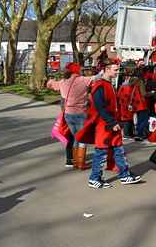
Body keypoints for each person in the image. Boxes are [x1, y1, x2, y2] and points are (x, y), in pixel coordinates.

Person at [76, 58, 142, 188]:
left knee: (118, 149)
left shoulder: (108, 84)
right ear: (106, 69)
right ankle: (94, 178)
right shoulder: (99, 85)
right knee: (101, 152)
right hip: (104, 125)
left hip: (112, 124)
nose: (117, 72)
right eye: (115, 70)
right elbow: (100, 107)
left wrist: (118, 120)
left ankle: (125, 175)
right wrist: (112, 122)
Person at [47, 62, 95, 169]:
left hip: (68, 114)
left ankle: (72, 160)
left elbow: (50, 85)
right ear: (77, 71)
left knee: (73, 136)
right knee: (82, 138)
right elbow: (96, 78)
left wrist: (50, 81)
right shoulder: (83, 80)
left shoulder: (63, 82)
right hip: (80, 113)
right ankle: (80, 162)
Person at [116, 70, 136, 139]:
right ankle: (128, 133)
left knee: (127, 119)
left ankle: (128, 133)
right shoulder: (131, 86)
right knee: (129, 119)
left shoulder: (123, 86)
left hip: (124, 104)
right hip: (128, 104)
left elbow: (118, 95)